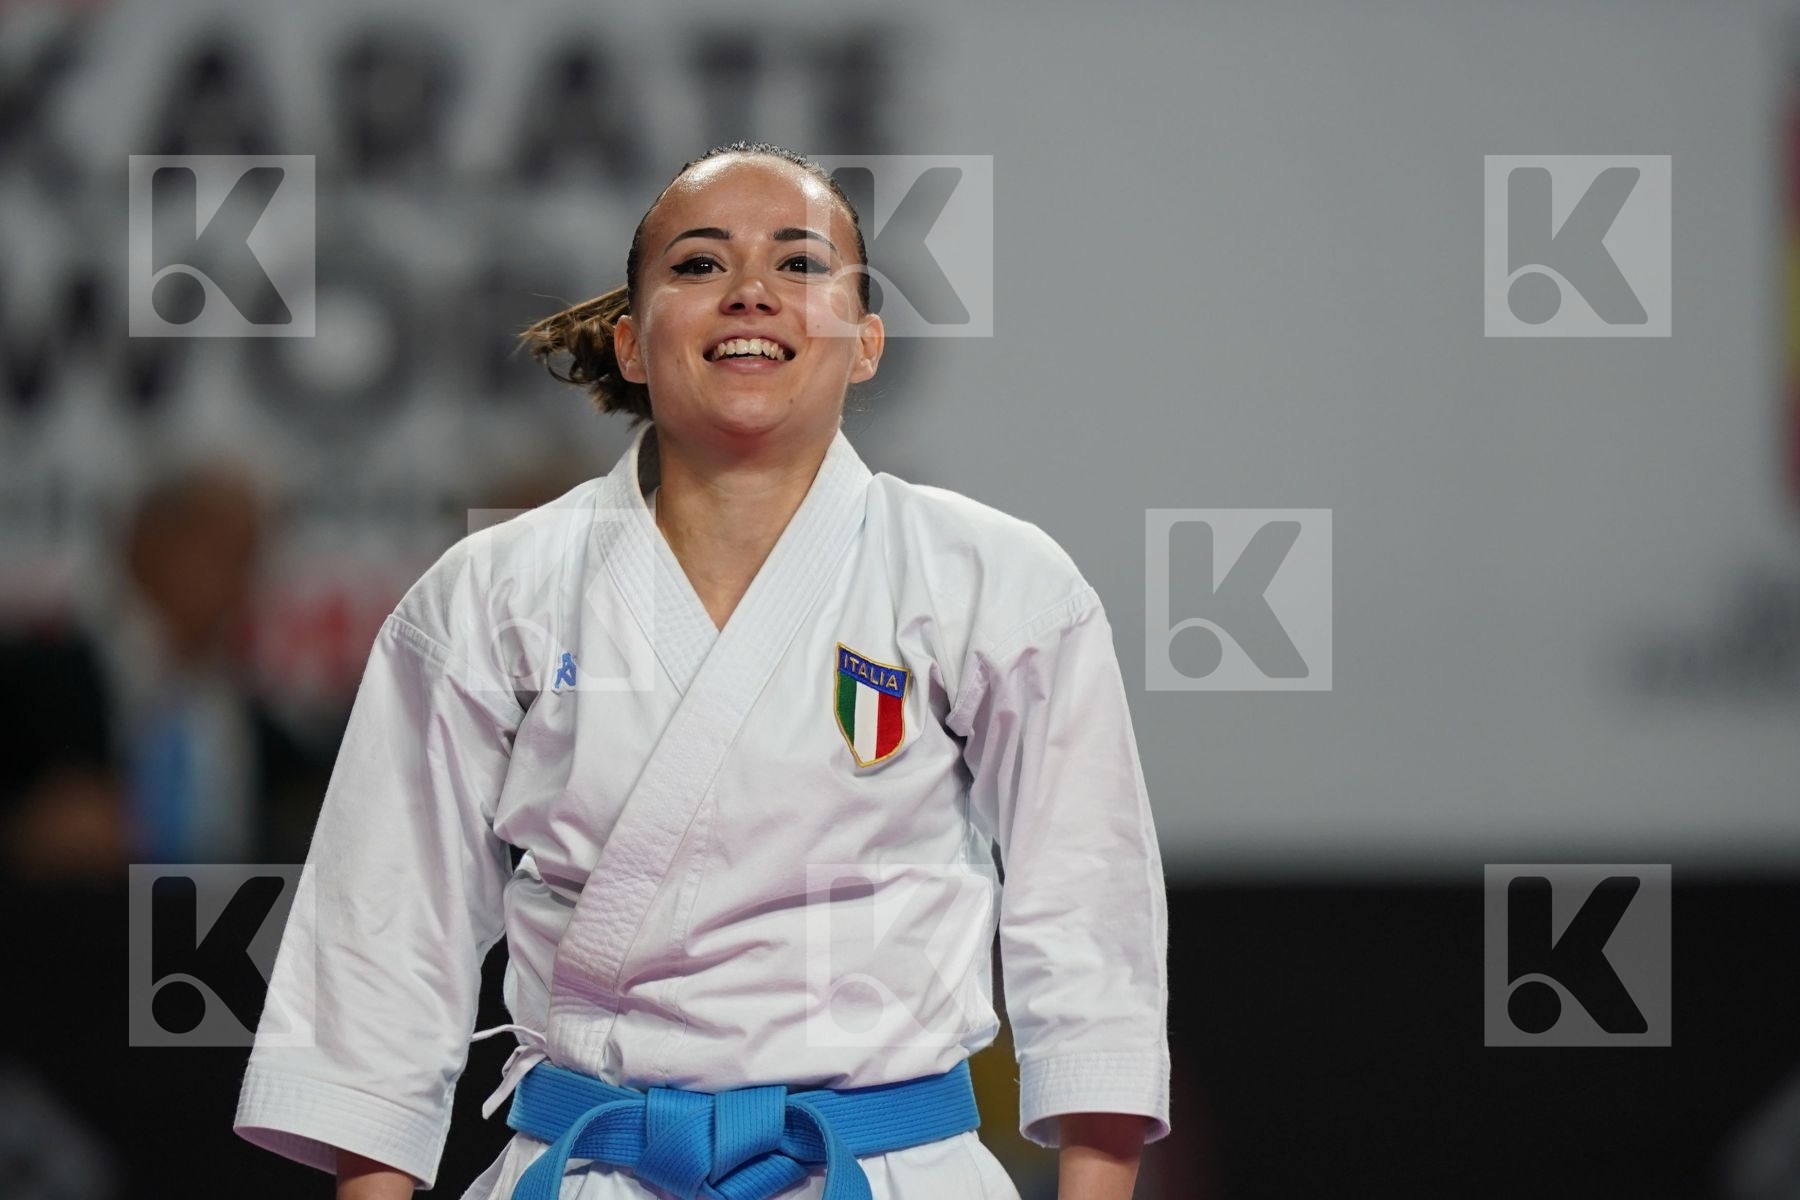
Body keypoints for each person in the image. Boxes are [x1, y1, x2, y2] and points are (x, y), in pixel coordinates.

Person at [233, 141, 1170, 1200]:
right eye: (699, 265)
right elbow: (384, 935)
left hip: (889, 1168)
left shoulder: (995, 581)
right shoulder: (490, 594)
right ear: (631, 343)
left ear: (867, 344)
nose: (752, 294)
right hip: (590, 1166)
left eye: (803, 266)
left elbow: (1087, 921)